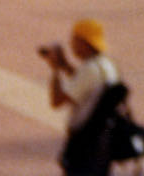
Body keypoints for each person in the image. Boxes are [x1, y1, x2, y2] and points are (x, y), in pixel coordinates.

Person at [40, 18, 121, 176]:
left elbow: (56, 101)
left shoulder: (89, 69)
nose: (71, 44)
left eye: (74, 40)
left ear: (84, 43)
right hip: (104, 139)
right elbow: (84, 84)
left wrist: (55, 70)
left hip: (85, 142)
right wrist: (65, 65)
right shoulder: (107, 64)